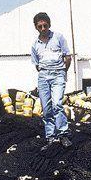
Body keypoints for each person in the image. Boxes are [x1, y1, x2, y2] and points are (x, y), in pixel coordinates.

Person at [30, 12, 72, 147]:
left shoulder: (58, 38)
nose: (43, 29)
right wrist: (44, 73)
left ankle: (63, 134)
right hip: (43, 76)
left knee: (57, 104)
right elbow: (37, 64)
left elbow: (67, 57)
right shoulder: (35, 45)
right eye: (40, 26)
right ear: (36, 27)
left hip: (58, 74)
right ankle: (50, 135)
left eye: (45, 25)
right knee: (46, 108)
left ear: (49, 25)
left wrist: (62, 72)